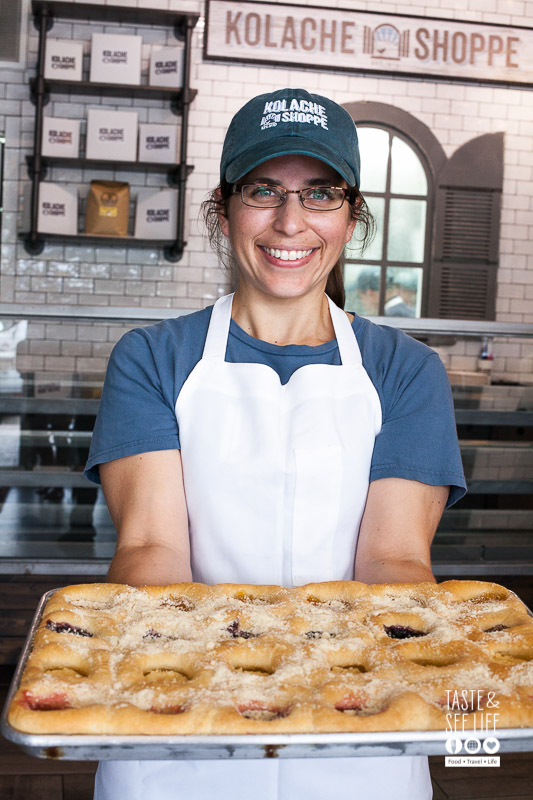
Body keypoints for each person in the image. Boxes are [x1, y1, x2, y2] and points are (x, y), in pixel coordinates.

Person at [85, 88, 466, 800]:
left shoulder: (403, 370)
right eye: (263, 190)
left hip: (361, 739)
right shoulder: (152, 358)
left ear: (352, 217)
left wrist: (453, 685)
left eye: (320, 194)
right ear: (224, 208)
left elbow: (391, 558)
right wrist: (197, 676)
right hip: (180, 736)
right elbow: (152, 549)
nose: (290, 221)